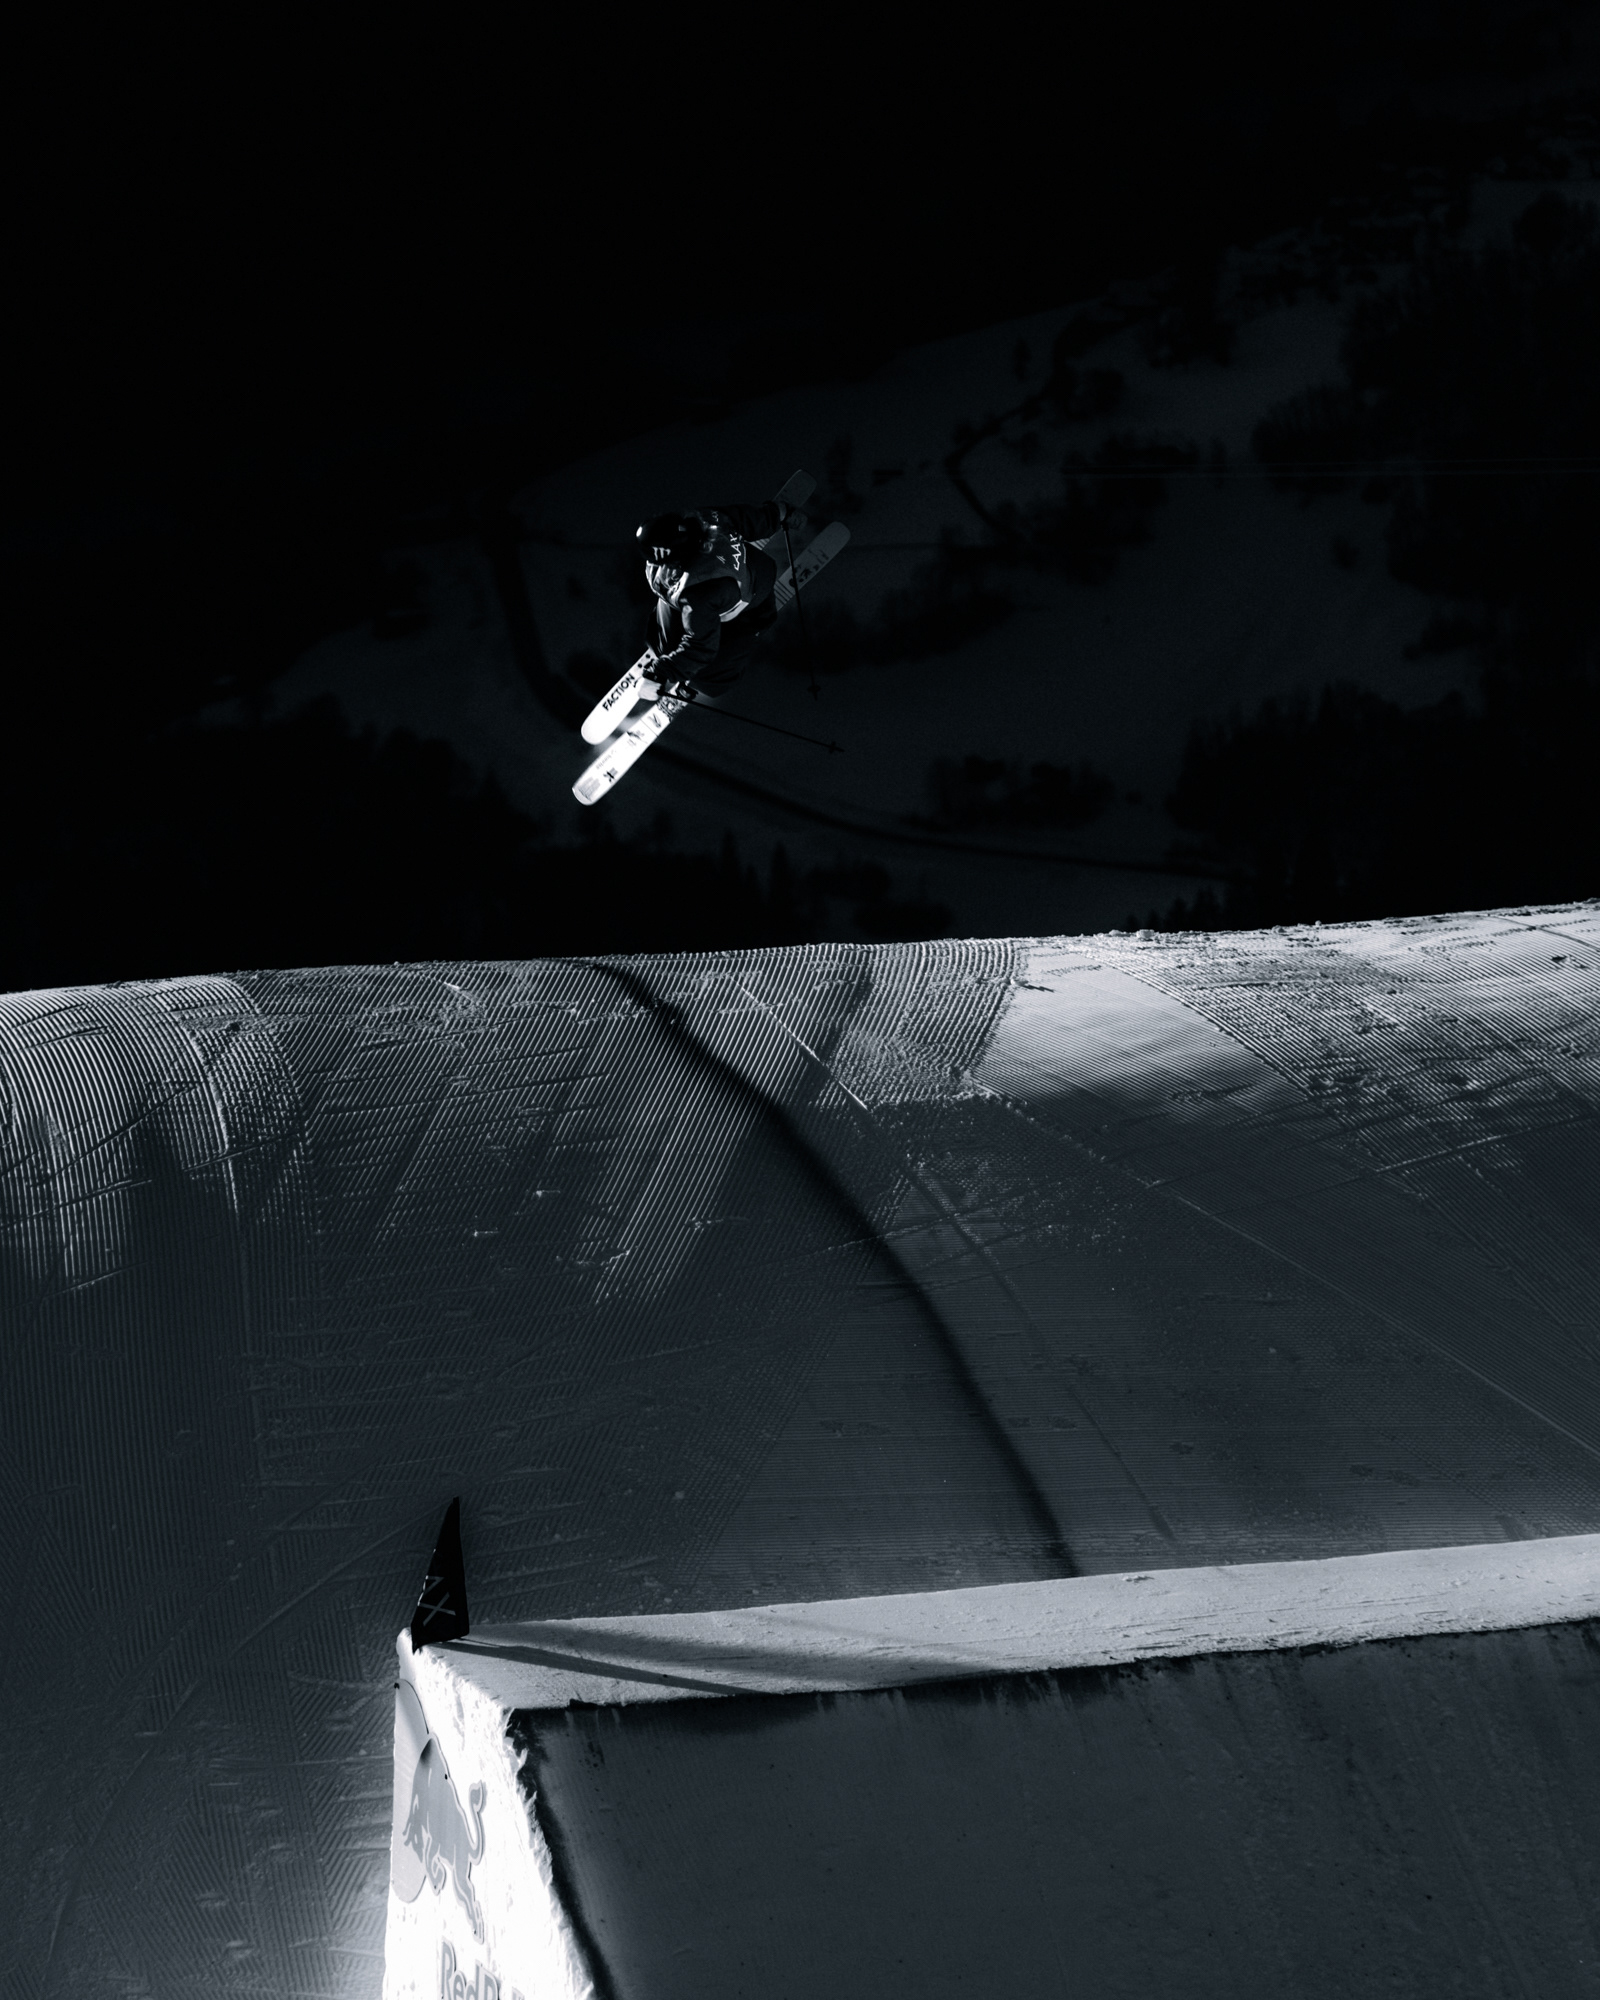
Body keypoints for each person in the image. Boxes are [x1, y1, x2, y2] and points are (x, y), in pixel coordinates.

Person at [634, 497, 808, 699]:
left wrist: (661, 673)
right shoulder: (703, 520)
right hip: (734, 576)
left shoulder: (701, 589)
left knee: (711, 674)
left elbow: (701, 645)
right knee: (663, 638)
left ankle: (693, 677)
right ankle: (672, 655)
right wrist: (779, 513)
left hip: (749, 610)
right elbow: (745, 518)